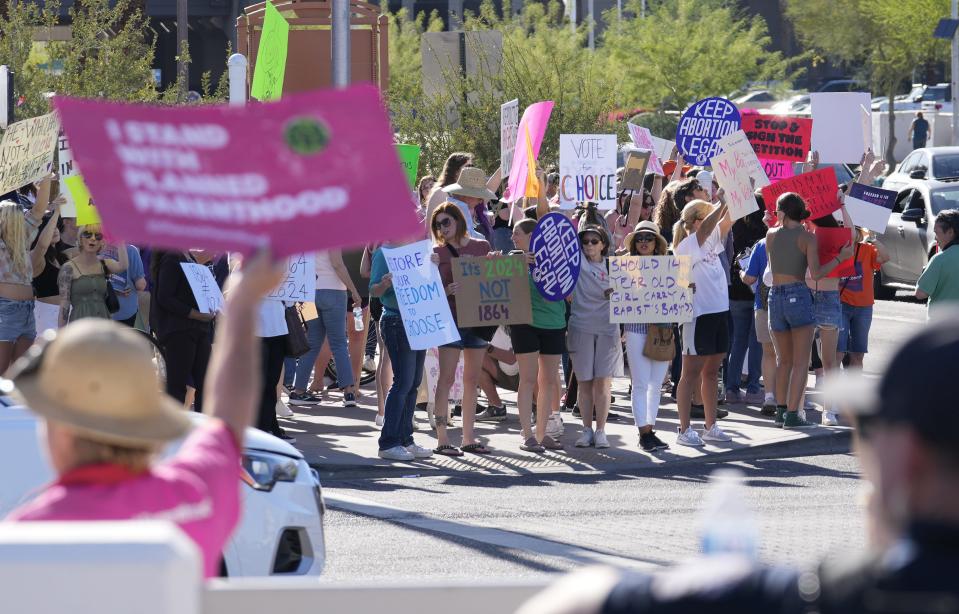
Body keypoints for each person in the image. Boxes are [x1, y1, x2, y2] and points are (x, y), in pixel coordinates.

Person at [516, 317, 959, 614]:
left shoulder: (852, 593)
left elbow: (580, 600)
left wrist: (892, 527)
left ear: (908, 458)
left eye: (869, 437)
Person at [4, 251, 286, 579]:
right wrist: (243, 297)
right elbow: (228, 416)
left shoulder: (25, 536)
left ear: (62, 429)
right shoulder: (194, 494)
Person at [767, 193, 853, 429]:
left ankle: (781, 411)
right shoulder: (807, 238)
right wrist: (840, 258)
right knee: (800, 362)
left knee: (782, 360)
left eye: (777, 211)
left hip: (775, 296)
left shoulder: (770, 234)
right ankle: (794, 415)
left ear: (783, 213)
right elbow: (816, 273)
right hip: (798, 295)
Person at [431, 202, 495, 456]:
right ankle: (442, 437)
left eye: (447, 222)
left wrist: (495, 265)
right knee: (446, 379)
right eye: (438, 224)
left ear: (459, 220)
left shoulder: (481, 247)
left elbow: (493, 280)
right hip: (451, 319)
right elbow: (430, 291)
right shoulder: (437, 253)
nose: (443, 228)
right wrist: (446, 290)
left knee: (472, 379)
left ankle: (469, 436)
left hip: (478, 317)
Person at [673, 200, 734, 446]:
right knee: (690, 374)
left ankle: (711, 426)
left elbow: (729, 220)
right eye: (709, 215)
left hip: (719, 312)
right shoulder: (687, 244)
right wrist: (723, 201)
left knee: (712, 372)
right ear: (697, 220)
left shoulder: (711, 240)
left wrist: (740, 186)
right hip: (698, 316)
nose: (715, 218)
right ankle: (684, 429)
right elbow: (707, 228)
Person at [369, 238, 435, 461]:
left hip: (417, 319)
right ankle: (388, 442)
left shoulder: (417, 253)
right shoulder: (383, 253)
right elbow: (374, 290)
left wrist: (433, 266)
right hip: (397, 321)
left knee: (413, 383)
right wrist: (385, 284)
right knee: (403, 382)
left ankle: (406, 439)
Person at [510, 218, 567, 452]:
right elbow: (501, 287)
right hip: (525, 324)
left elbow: (570, 288)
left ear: (534, 235)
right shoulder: (512, 259)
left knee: (549, 381)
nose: (513, 237)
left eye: (517, 233)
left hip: (554, 322)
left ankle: (542, 434)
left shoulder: (559, 257)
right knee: (528, 379)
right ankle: (527, 434)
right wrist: (518, 266)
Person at [568, 224, 620, 449]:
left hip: (608, 329)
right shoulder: (576, 262)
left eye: (594, 241)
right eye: (585, 241)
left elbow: (633, 294)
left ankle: (601, 431)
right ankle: (586, 430)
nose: (589, 245)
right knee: (585, 382)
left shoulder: (615, 267)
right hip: (581, 327)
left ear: (604, 245)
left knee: (603, 383)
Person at [622, 221, 672, 451]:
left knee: (656, 385)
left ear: (656, 243)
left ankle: (650, 429)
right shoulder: (625, 266)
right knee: (640, 384)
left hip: (662, 331)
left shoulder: (670, 266)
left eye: (648, 238)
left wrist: (687, 288)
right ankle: (643, 432)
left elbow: (677, 298)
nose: (643, 242)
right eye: (639, 238)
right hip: (636, 330)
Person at [288, 249, 361, 407]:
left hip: (307, 292)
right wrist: (354, 290)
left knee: (311, 342)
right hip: (333, 291)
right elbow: (337, 264)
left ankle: (298, 390)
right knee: (339, 343)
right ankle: (349, 391)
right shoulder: (331, 230)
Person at [0, 176, 56, 374]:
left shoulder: (23, 238)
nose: (23, 216)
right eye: (17, 215)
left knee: (21, 372)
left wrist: (46, 179)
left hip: (27, 309)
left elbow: (39, 210)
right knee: (3, 371)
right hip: (5, 309)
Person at [151, 249, 215, 411]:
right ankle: (173, 430)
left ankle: (202, 427)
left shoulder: (188, 257)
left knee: (204, 383)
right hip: (180, 331)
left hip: (199, 330)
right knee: (177, 385)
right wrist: (195, 315)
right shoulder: (171, 258)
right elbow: (164, 297)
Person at [837, 228, 889, 385]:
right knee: (838, 353)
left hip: (863, 308)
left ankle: (852, 392)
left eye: (854, 229)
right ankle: (832, 397)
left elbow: (885, 257)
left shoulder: (866, 249)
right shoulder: (836, 250)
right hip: (841, 306)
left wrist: (873, 238)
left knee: (858, 354)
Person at [725, 209, 767, 405]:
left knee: (738, 341)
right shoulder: (767, 232)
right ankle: (753, 387)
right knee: (756, 341)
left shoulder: (735, 227)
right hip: (760, 291)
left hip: (736, 291)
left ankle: (731, 388)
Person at [740, 208, 778, 417]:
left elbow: (750, 278)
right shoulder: (800, 241)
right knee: (788, 356)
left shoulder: (761, 245)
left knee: (769, 352)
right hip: (791, 304)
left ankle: (770, 396)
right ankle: (787, 398)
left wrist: (740, 271)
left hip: (763, 305)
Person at [57, 225, 129, 326]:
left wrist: (120, 240)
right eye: (87, 234)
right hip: (80, 326)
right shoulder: (68, 268)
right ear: (80, 239)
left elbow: (123, 265)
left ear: (101, 242)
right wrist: (61, 335)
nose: (93, 238)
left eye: (98, 236)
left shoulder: (105, 264)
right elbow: (65, 304)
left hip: (104, 325)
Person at [29, 208, 67, 338]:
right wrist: (55, 212)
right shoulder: (35, 258)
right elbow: (42, 245)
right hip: (47, 315)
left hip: (68, 313)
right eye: (49, 226)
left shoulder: (63, 256)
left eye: (56, 226)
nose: (55, 229)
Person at [916, 209, 959, 316]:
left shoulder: (940, 259)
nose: (935, 238)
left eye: (936, 232)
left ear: (950, 232)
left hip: (941, 325)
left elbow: (920, 294)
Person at [442, 166, 498, 242]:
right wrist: (484, 241)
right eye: (479, 197)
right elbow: (468, 238)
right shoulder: (458, 210)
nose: (481, 201)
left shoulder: (456, 209)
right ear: (467, 195)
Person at [477, 326, 517, 422]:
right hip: (502, 374)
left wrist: (487, 348)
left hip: (527, 376)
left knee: (538, 361)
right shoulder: (490, 325)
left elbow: (511, 359)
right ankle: (496, 407)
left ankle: (538, 408)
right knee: (475, 360)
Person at [107, 243, 147, 328]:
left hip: (100, 311)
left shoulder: (97, 247)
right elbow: (141, 285)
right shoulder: (131, 250)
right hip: (124, 312)